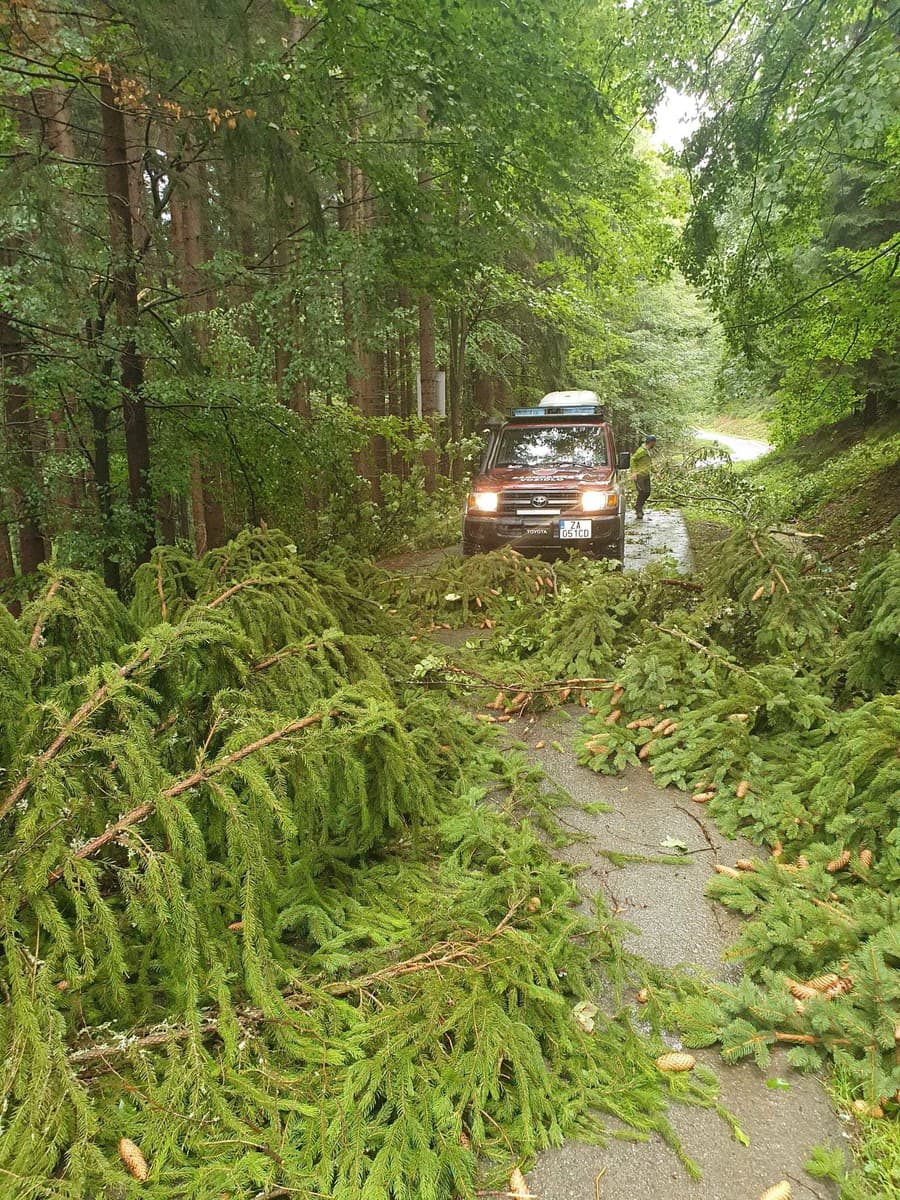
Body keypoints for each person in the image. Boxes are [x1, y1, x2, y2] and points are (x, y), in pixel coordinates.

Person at [630, 434, 656, 519]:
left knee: (647, 492)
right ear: (651, 442)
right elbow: (633, 459)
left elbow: (649, 464)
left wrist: (656, 472)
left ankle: (638, 507)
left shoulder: (648, 451)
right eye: (654, 443)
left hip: (646, 474)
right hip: (640, 475)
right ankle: (638, 510)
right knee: (642, 492)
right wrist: (634, 472)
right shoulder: (641, 451)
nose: (654, 444)